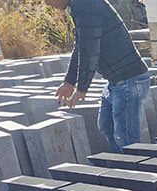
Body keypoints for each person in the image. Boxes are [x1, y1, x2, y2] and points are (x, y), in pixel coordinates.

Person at [45, 0, 150, 153]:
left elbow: (89, 51)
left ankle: (134, 165)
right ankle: (122, 162)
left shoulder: (85, 4)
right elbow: (81, 45)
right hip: (116, 80)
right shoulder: (79, 6)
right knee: (106, 126)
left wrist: (81, 88)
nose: (47, 4)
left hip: (129, 79)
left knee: (125, 138)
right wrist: (69, 82)